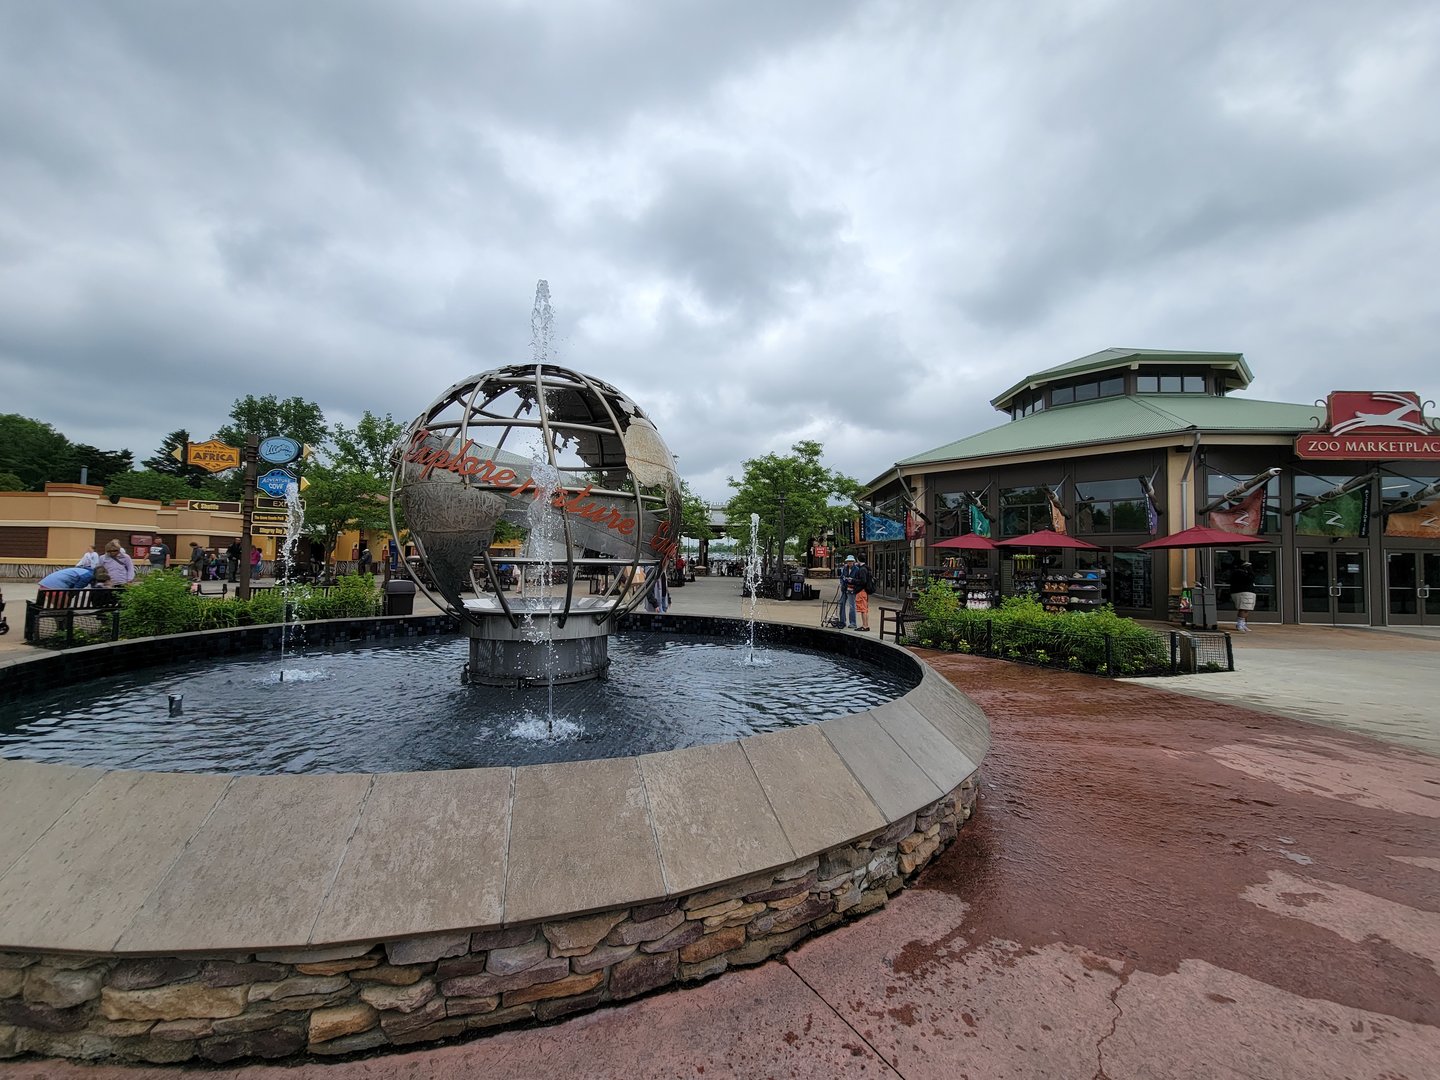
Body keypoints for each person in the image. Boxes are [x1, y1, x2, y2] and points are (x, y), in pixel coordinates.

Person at [1228, 560, 1257, 633]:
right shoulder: (1238, 573)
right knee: (1243, 608)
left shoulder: (1240, 573)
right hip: (1243, 592)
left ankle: (1243, 623)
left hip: (1248, 592)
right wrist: (1250, 570)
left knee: (1247, 608)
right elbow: (1250, 578)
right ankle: (1240, 624)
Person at [838, 554, 862, 630]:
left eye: (851, 561)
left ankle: (853, 623)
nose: (849, 563)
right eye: (848, 561)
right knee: (841, 603)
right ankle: (842, 621)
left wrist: (852, 580)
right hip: (844, 588)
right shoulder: (845, 568)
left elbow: (859, 580)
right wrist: (842, 583)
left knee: (852, 606)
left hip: (852, 589)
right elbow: (841, 577)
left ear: (854, 562)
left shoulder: (857, 569)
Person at [38, 565, 108, 591]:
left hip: (45, 583)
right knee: (63, 608)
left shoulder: (85, 571)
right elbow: (75, 591)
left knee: (62, 607)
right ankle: (62, 621)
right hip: (53, 587)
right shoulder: (87, 576)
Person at [853, 559, 873, 632]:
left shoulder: (862, 569)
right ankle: (865, 625)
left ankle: (865, 626)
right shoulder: (866, 568)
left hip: (861, 591)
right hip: (865, 591)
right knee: (864, 609)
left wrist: (853, 580)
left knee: (863, 609)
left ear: (858, 560)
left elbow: (863, 581)